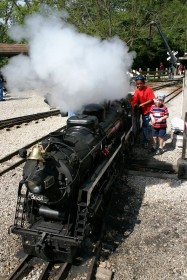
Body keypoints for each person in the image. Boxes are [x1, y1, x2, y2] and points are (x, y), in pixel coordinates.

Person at [131, 75, 155, 149]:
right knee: (143, 124)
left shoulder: (149, 89)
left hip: (149, 109)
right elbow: (134, 100)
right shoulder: (137, 91)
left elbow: (151, 100)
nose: (139, 85)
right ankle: (142, 134)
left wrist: (142, 104)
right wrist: (132, 107)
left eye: (141, 83)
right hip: (142, 109)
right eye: (138, 84)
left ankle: (146, 141)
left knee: (145, 126)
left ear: (144, 83)